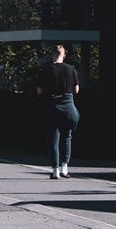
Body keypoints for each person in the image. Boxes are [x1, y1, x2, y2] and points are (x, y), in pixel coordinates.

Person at [36, 43, 80, 178]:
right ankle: (64, 168)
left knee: (53, 139)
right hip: (68, 107)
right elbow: (76, 90)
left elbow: (39, 90)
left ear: (52, 54)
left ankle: (55, 170)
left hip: (52, 107)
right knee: (67, 138)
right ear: (64, 55)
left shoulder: (46, 69)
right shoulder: (71, 69)